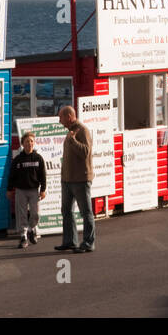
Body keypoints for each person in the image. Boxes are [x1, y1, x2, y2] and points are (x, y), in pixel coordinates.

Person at [55, 105, 95, 253]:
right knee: (66, 211)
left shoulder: (82, 130)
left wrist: (73, 141)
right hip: (67, 179)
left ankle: (88, 243)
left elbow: (86, 152)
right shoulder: (70, 132)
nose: (60, 121)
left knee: (86, 212)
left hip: (80, 179)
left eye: (61, 118)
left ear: (69, 117)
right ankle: (70, 241)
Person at [7, 131, 47, 248]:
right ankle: (23, 236)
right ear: (22, 144)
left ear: (34, 143)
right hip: (20, 190)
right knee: (22, 215)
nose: (29, 143)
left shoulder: (38, 158)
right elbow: (12, 176)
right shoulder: (18, 159)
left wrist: (43, 189)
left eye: (31, 141)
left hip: (34, 190)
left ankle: (30, 229)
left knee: (35, 214)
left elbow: (43, 176)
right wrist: (9, 189)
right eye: (27, 141)